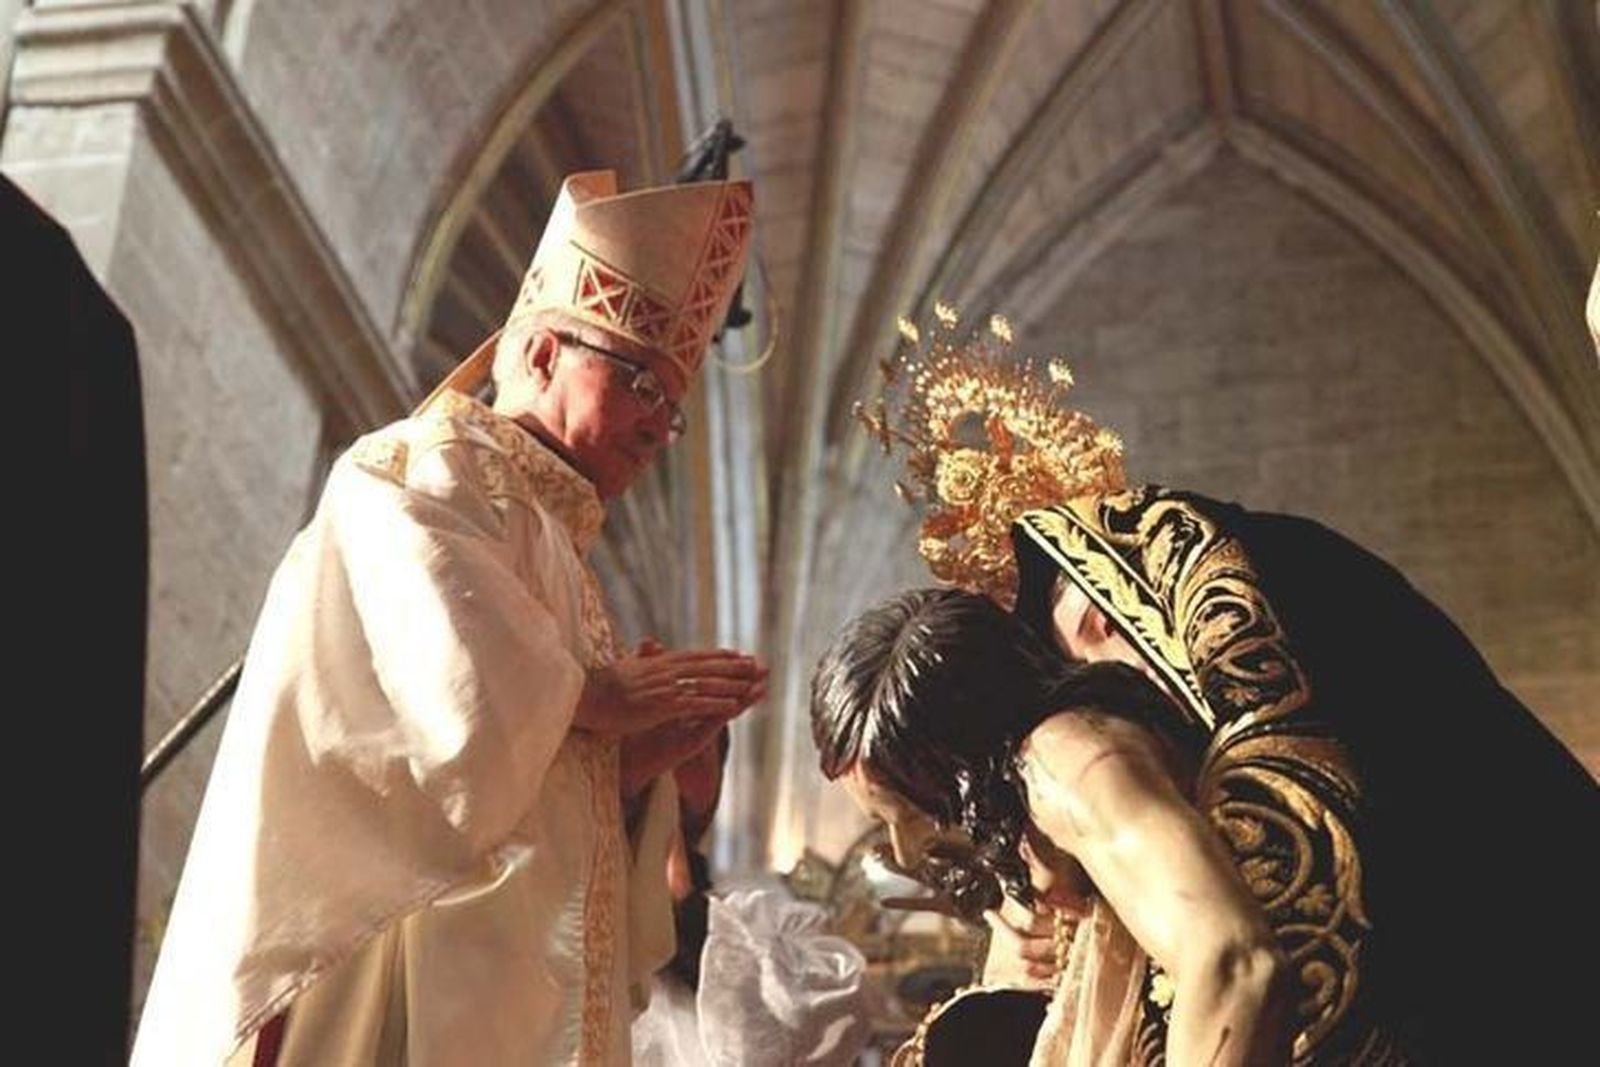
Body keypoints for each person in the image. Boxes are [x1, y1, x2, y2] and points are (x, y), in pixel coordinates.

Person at [133, 169, 767, 1066]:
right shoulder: (420, 468)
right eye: (642, 386)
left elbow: (528, 793)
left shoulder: (567, 561)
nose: (656, 428)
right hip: (391, 961)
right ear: (542, 353)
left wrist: (629, 773)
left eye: (673, 410)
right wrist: (598, 699)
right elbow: (454, 707)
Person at [813, 588, 1296, 1066]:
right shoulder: (1034, 792)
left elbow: (1233, 963)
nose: (904, 851)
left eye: (919, 813)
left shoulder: (1062, 762)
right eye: (884, 824)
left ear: (968, 753)